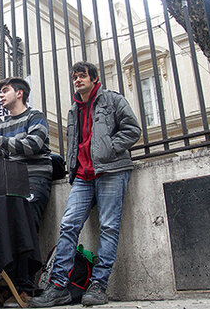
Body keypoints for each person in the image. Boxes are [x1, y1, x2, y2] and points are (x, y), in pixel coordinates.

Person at [30, 61, 141, 307]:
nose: (77, 80)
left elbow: (133, 130)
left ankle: (99, 286)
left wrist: (108, 148)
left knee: (109, 227)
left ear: (94, 78)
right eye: (74, 77)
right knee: (68, 225)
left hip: (111, 170)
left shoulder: (112, 100)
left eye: (82, 76)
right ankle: (58, 286)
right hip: (82, 176)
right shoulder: (73, 109)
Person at [0, 77, 53, 307]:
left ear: (19, 93)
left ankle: (25, 288)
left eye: (5, 90)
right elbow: (5, 158)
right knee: (0, 226)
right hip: (13, 182)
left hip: (35, 179)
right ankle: (7, 288)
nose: (1, 95)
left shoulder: (35, 117)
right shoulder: (5, 124)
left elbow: (33, 145)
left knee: (24, 225)